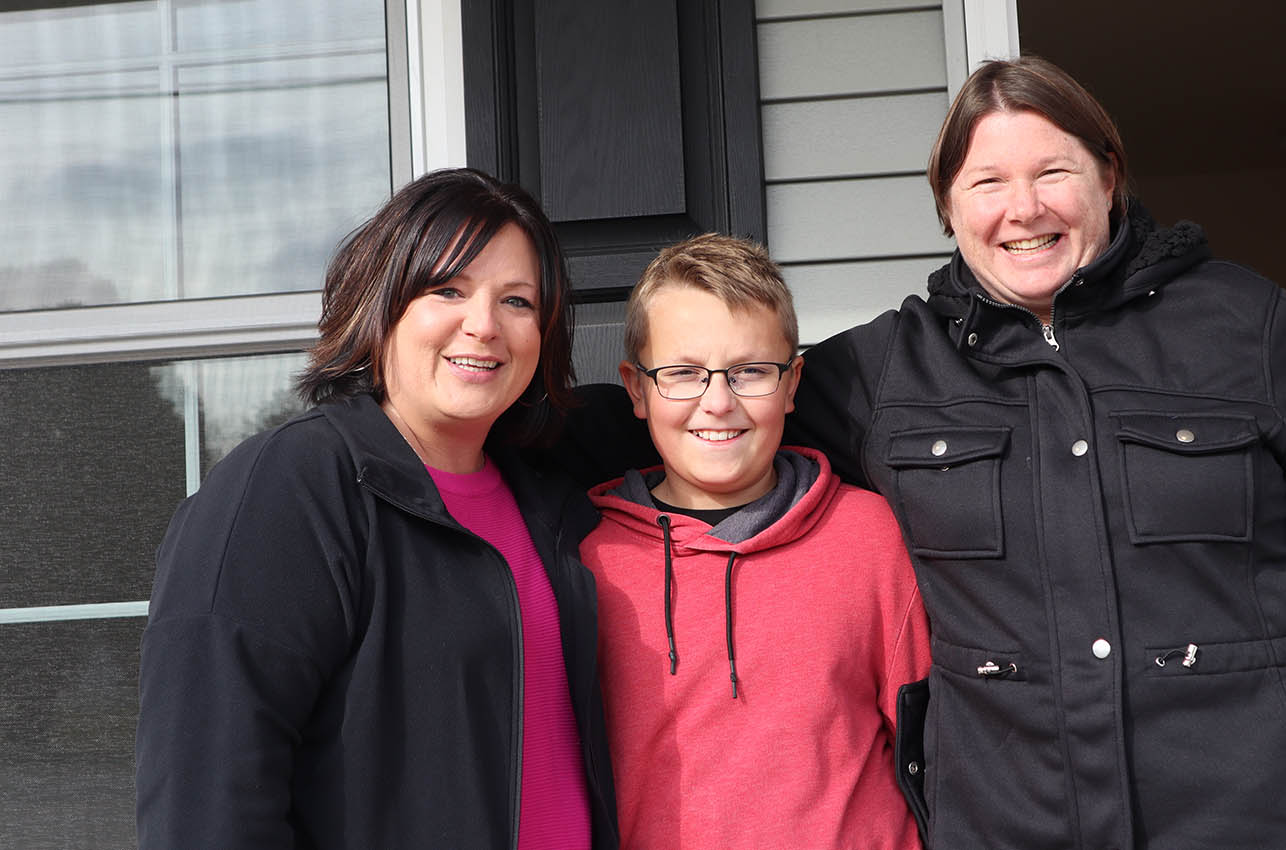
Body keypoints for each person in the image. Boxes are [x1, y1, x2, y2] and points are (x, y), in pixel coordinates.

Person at [775, 56, 1286, 849]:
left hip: (1263, 811)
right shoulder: (882, 375)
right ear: (948, 204)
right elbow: (710, 417)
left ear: (1109, 177)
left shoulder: (1243, 325)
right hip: (1010, 821)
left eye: (1054, 171)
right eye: (987, 183)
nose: (1024, 208)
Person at [135, 168, 618, 849]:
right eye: (447, 289)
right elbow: (204, 809)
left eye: (517, 301)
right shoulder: (290, 489)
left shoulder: (554, 493)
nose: (483, 326)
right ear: (382, 304)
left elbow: (740, 407)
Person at [580, 233, 931, 849]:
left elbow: (941, 749)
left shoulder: (869, 536)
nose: (718, 402)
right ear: (636, 389)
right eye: (683, 374)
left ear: (793, 383)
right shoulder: (588, 559)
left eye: (749, 372)